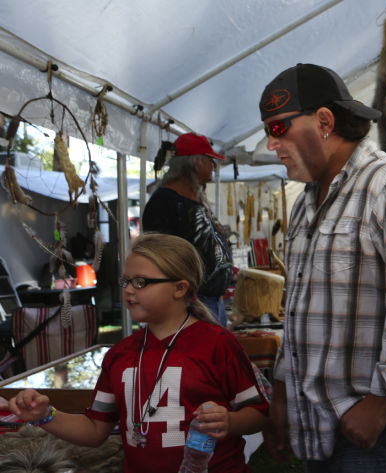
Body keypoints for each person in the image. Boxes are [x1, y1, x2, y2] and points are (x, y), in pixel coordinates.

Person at [259, 63, 386, 472]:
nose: (272, 145)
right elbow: (298, 310)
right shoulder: (307, 201)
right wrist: (281, 395)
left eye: (277, 129)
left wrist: (380, 406)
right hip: (322, 429)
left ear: (324, 121)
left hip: (382, 436)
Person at [7, 233, 268, 473]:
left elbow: (259, 413)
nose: (129, 289)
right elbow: (96, 429)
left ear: (180, 288)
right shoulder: (120, 354)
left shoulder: (217, 344)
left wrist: (230, 422)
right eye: (126, 281)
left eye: (141, 282)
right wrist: (45, 415)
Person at [142, 133, 233, 327]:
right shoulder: (164, 201)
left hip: (211, 300)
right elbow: (157, 258)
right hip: (190, 304)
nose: (214, 166)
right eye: (210, 160)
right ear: (196, 162)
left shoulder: (194, 198)